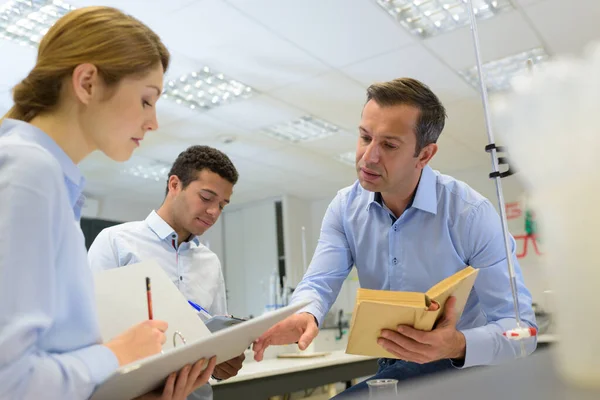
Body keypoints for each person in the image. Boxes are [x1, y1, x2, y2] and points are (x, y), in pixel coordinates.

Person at [252, 78, 537, 397]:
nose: (368, 157)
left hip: (467, 372)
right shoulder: (345, 209)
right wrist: (306, 313)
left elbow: (522, 332)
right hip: (395, 367)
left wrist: (458, 344)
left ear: (425, 155)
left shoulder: (471, 215)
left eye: (389, 145)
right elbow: (319, 283)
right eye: (364, 137)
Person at [0, 7, 215, 400]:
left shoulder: (53, 182)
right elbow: (10, 381)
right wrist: (114, 355)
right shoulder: (29, 171)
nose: (154, 123)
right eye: (147, 101)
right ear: (87, 83)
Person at [88, 145, 245, 397]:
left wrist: (222, 364)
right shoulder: (115, 242)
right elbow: (91, 333)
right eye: (206, 198)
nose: (214, 212)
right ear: (174, 185)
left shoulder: (210, 262)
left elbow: (213, 337)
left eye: (222, 205)